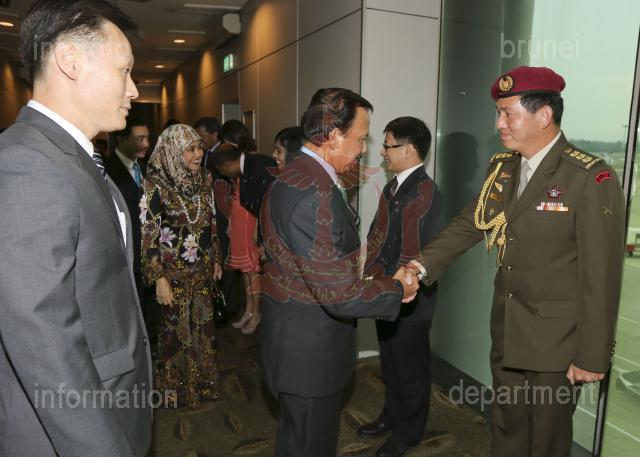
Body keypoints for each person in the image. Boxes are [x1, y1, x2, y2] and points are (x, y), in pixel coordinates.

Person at [409, 66, 625, 457]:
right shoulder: (503, 168)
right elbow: (470, 223)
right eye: (498, 113)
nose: (499, 123)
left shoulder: (589, 178)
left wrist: (592, 355)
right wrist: (419, 267)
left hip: (556, 346)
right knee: (507, 427)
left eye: (508, 113)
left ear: (544, 115)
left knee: (546, 440)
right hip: (508, 330)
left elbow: (601, 276)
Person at [0, 1, 152, 456]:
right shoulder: (27, 162)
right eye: (124, 71)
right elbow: (42, 335)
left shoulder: (70, 155)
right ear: (69, 61)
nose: (133, 89)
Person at [258, 87, 419, 457]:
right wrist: (396, 288)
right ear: (333, 137)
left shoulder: (299, 175)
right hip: (309, 356)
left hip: (298, 342)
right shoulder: (312, 192)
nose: (364, 149)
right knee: (309, 446)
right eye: (361, 138)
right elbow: (340, 295)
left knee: (297, 442)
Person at [359, 117, 443, 457]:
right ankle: (391, 416)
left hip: (412, 297)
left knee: (411, 369)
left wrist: (394, 283)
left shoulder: (425, 191)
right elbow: (377, 237)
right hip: (387, 293)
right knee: (391, 362)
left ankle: (409, 432)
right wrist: (370, 276)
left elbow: (418, 251)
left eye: (388, 145)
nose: (382, 151)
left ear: (408, 150)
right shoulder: (394, 186)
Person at [140, 124, 223, 408]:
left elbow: (211, 220)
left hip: (202, 270)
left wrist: (216, 257)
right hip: (172, 274)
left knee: (203, 328)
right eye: (190, 149)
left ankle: (203, 384)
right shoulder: (155, 184)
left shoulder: (205, 178)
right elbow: (148, 234)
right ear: (174, 152)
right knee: (176, 334)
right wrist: (158, 277)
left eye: (200, 147)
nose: (198, 154)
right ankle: (176, 391)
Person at [210, 143, 277, 333]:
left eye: (222, 170)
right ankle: (249, 310)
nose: (223, 175)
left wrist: (259, 231)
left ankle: (257, 314)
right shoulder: (242, 168)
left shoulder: (258, 165)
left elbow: (267, 203)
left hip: (251, 223)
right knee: (244, 271)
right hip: (241, 221)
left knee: (252, 270)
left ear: (227, 165)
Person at [105, 118, 156, 340]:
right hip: (124, 255)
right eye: (139, 139)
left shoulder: (145, 169)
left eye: (147, 138)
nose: (146, 144)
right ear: (121, 140)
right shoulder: (106, 171)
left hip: (148, 255)